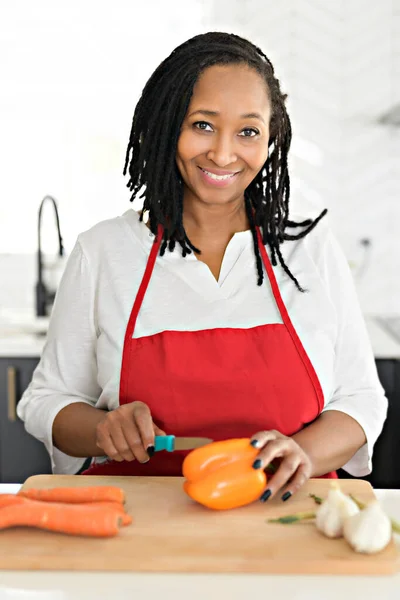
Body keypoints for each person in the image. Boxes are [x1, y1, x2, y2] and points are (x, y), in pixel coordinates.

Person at [18, 32, 387, 503]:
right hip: (137, 526)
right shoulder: (104, 251)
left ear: (270, 139)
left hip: (288, 521)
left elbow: (360, 399)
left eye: (248, 131)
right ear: (166, 123)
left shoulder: (308, 252)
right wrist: (101, 429)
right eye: (203, 125)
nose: (223, 153)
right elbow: (46, 401)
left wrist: (303, 454)